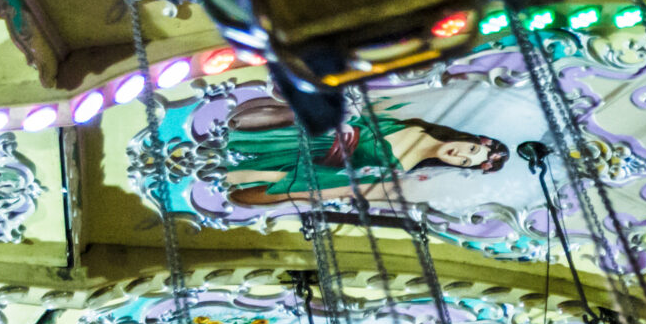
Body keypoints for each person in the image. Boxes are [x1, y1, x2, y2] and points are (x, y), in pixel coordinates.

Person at [215, 97, 511, 207]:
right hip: (316, 129)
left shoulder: (405, 169)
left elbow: (344, 178)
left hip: (317, 153)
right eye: (471, 148)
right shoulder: (413, 123)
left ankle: (233, 176)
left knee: (303, 179)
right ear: (470, 138)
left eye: (465, 162)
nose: (459, 154)